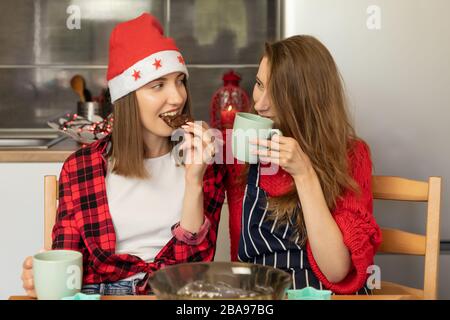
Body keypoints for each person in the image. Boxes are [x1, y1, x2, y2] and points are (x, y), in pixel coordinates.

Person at [21, 13, 225, 297]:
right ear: (127, 96)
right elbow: (67, 264)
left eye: (180, 81)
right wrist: (41, 278)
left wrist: (194, 181)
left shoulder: (203, 161)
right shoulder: (81, 168)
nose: (178, 97)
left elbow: (194, 270)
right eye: (158, 85)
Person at [225, 35, 382, 295]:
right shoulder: (244, 151)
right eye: (259, 84)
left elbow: (336, 269)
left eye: (277, 94)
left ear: (307, 100)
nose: (259, 104)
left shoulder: (352, 156)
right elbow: (241, 260)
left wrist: (304, 174)